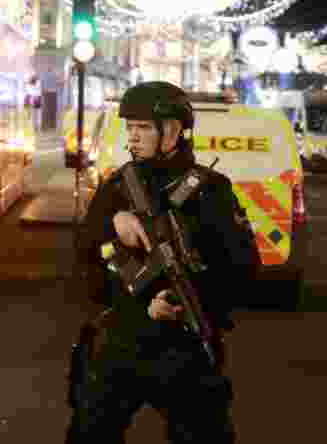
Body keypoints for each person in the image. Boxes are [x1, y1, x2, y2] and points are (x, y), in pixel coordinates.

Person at [67, 81, 260, 444]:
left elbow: (243, 268)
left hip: (183, 349)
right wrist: (113, 224)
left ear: (171, 131)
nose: (133, 138)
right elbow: (83, 249)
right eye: (130, 128)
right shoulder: (119, 185)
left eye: (143, 128)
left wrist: (187, 301)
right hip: (121, 340)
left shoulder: (211, 191)